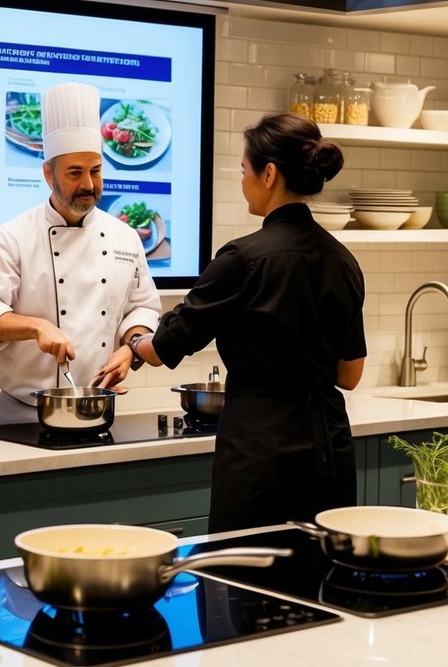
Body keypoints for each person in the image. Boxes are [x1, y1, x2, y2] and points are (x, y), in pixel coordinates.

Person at [96, 112, 366, 531]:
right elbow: (350, 375)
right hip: (330, 449)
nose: (243, 181)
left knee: (243, 583)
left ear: (269, 174)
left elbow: (163, 347)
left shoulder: (243, 259)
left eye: (244, 170)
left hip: (261, 453)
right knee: (317, 580)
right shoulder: (343, 261)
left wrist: (132, 346)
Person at [0, 81, 161, 424]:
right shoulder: (13, 236)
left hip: (98, 410)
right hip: (22, 417)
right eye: (75, 173)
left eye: (96, 171)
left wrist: (131, 349)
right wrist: (37, 328)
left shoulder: (126, 238)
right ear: (47, 174)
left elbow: (142, 307)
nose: (88, 184)